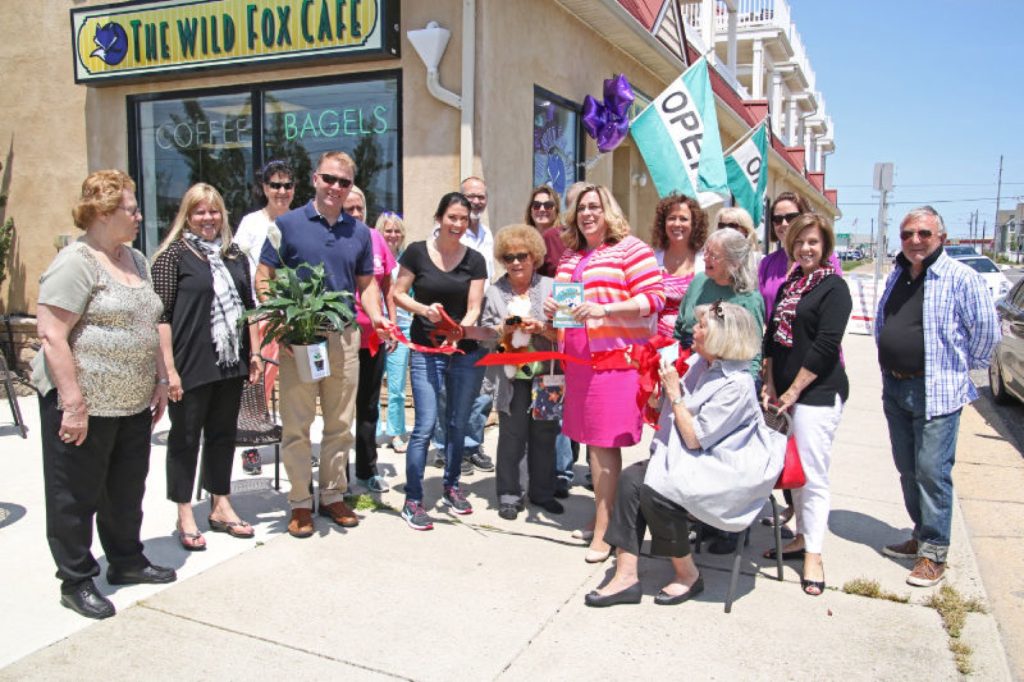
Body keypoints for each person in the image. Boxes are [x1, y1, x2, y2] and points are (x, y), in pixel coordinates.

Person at [33, 170, 175, 620]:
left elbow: (148, 323)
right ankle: (75, 579)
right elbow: (52, 334)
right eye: (130, 209)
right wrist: (73, 404)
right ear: (102, 213)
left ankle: (127, 560)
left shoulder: (135, 258)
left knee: (126, 489)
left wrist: (159, 378)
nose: (138, 216)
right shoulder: (77, 261)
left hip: (132, 403)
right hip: (85, 405)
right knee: (75, 494)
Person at [584, 303, 781, 607]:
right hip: (697, 460)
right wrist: (659, 392)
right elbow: (676, 416)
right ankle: (625, 575)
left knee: (657, 491)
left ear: (721, 337)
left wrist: (674, 393)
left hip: (726, 470)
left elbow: (694, 438)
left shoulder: (737, 384)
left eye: (702, 327)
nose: (694, 331)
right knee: (631, 480)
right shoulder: (702, 367)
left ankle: (687, 573)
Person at [256, 151, 389, 539]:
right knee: (297, 424)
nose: (335, 188)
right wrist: (278, 315)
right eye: (329, 179)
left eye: (344, 182)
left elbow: (365, 286)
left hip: (344, 337)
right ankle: (299, 502)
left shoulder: (360, 233)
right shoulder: (287, 225)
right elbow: (264, 275)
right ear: (315, 178)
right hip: (301, 337)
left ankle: (332, 493)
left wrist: (377, 316)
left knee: (340, 422)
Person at [875, 206, 999, 587]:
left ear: (941, 238)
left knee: (932, 471)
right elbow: (885, 322)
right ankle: (920, 534)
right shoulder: (899, 273)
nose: (915, 240)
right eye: (908, 234)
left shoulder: (961, 278)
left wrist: (955, 373)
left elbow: (986, 337)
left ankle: (934, 553)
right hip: (896, 387)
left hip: (936, 391)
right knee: (908, 468)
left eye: (924, 234)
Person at [542, 184, 665, 562]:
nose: (587, 214)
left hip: (615, 360)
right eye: (581, 208)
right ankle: (603, 520)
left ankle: (606, 530)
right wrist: (552, 311)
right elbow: (569, 313)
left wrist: (605, 310)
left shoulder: (631, 249)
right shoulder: (570, 256)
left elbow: (654, 299)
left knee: (602, 444)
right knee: (592, 444)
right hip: (578, 363)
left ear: (609, 210)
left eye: (595, 206)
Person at [152, 183, 261, 549]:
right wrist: (169, 371)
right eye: (199, 211)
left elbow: (249, 308)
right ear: (187, 215)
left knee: (222, 435)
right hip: (190, 363)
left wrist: (255, 354)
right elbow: (161, 317)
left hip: (229, 361)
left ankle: (220, 504)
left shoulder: (235, 256)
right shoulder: (172, 257)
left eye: (213, 211)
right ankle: (185, 511)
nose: (208, 218)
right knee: (184, 440)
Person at [761, 213, 851, 596]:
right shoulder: (790, 285)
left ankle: (814, 552)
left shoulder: (834, 288)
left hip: (815, 394)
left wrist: (793, 392)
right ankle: (800, 536)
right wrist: (768, 384)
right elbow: (771, 339)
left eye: (813, 242)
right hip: (781, 394)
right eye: (799, 242)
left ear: (826, 245)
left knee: (812, 474)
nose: (805, 248)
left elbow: (825, 346)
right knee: (792, 472)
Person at [393, 192, 488, 530]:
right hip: (425, 352)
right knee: (424, 426)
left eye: (464, 219)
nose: (458, 224)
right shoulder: (417, 252)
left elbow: (475, 304)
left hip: (462, 352)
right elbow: (398, 293)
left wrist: (462, 327)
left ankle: (451, 486)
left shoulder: (475, 260)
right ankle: (413, 500)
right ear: (439, 218)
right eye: (452, 217)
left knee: (458, 423)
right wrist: (424, 310)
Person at [673, 227, 764, 554]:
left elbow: (752, 352)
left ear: (735, 263)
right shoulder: (699, 284)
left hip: (727, 382)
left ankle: (727, 528)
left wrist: (742, 392)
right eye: (706, 253)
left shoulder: (748, 299)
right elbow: (680, 329)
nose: (706, 259)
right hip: (694, 372)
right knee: (689, 449)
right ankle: (696, 518)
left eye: (714, 255)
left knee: (718, 456)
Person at [757, 192, 841, 533]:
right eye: (777, 219)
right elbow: (769, 321)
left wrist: (793, 388)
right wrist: (769, 377)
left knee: (809, 457)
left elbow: (826, 335)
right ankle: (795, 515)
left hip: (814, 377)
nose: (782, 224)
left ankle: (808, 537)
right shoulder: (769, 264)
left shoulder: (827, 270)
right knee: (783, 448)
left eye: (790, 217)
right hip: (779, 367)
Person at [481, 224, 564, 520]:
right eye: (509, 257)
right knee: (512, 437)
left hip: (548, 376)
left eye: (522, 255)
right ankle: (509, 495)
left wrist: (541, 327)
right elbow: (487, 333)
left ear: (535, 256)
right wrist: (504, 329)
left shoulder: (552, 288)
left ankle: (542, 492)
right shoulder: (494, 292)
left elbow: (567, 334)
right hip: (511, 376)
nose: (515, 262)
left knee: (545, 435)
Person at [233, 159, 296, 474]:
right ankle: (252, 445)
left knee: (297, 384)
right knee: (260, 382)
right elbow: (238, 266)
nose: (281, 191)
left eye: (287, 185)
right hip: (263, 314)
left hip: (297, 315)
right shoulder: (251, 223)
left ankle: (294, 446)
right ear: (264, 188)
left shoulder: (301, 221)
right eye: (275, 185)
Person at [344, 186, 397, 493]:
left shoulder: (376, 239)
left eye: (359, 209)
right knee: (339, 411)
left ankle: (367, 470)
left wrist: (390, 322)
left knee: (368, 407)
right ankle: (337, 476)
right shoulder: (335, 239)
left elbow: (387, 284)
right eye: (349, 209)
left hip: (373, 340)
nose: (355, 215)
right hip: (341, 340)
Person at [376, 211, 411, 453]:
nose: (393, 235)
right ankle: (375, 430)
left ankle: (396, 431)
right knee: (373, 384)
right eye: (388, 230)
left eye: (397, 231)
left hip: (403, 327)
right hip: (376, 327)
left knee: (397, 385)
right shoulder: (372, 259)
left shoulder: (406, 263)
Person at [649, 193, 707, 340]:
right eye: (671, 218)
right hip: (655, 345)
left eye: (683, 219)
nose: (677, 224)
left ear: (694, 224)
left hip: (694, 345)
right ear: (663, 223)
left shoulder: (705, 261)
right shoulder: (651, 259)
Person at [524, 184, 563, 277]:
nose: (542, 209)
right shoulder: (523, 239)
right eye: (536, 205)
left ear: (556, 210)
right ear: (530, 210)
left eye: (548, 205)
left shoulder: (563, 237)